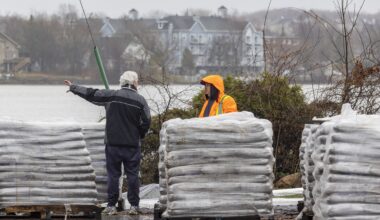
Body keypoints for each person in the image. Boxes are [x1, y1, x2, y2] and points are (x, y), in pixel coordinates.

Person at [64, 71, 151, 216]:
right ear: (135, 83)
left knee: (113, 175)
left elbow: (92, 94)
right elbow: (146, 121)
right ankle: (134, 206)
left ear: (122, 82)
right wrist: (139, 135)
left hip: (113, 144)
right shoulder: (140, 100)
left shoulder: (111, 96)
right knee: (133, 176)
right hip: (132, 145)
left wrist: (74, 88)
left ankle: (111, 205)